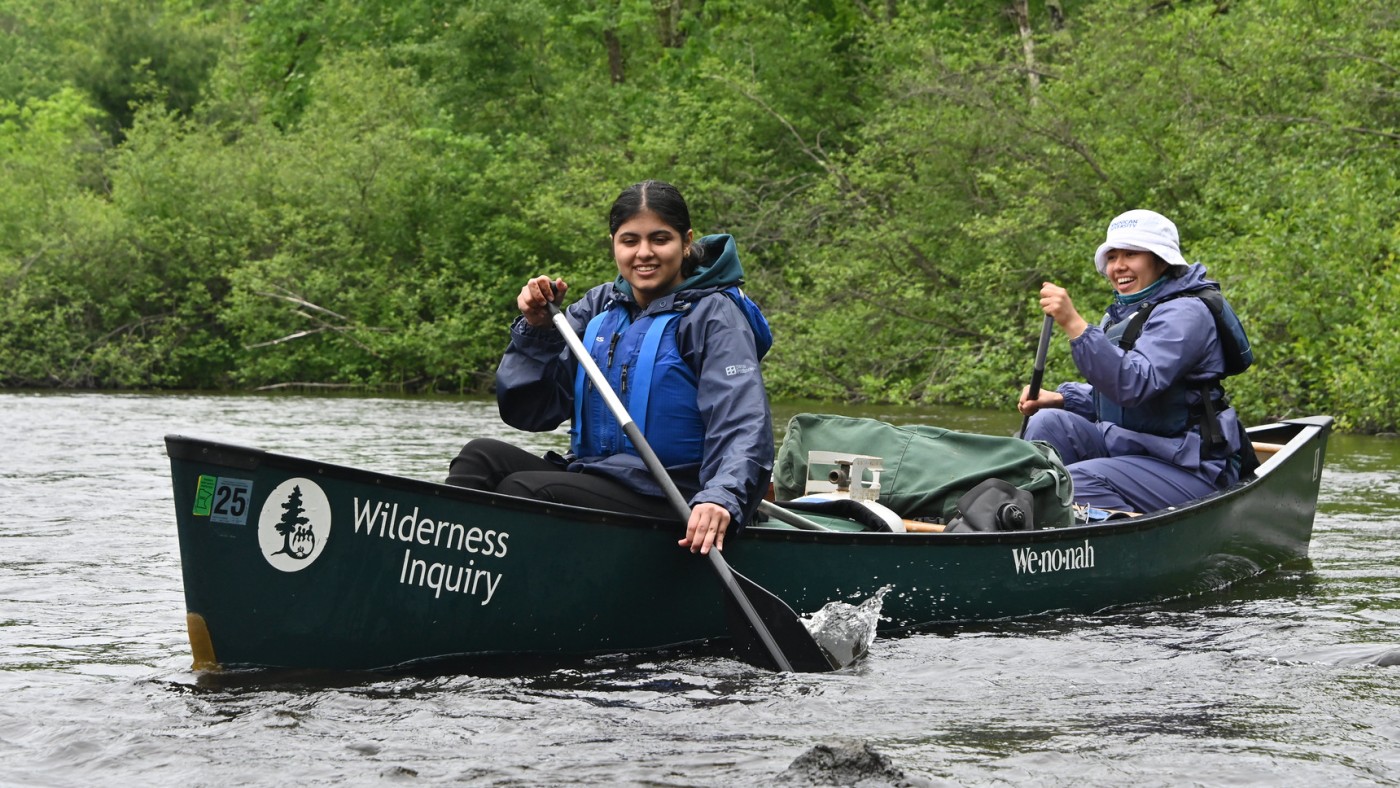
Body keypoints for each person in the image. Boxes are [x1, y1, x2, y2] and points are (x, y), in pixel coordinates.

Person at [446, 180, 774, 555]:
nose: (644, 253)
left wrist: (722, 496)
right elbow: (532, 410)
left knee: (524, 493)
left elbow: (743, 421)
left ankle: (499, 587)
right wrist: (537, 333)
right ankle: (451, 571)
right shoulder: (600, 305)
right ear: (614, 243)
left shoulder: (714, 315)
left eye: (660, 239)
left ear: (686, 242)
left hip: (679, 494)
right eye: (630, 240)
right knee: (479, 457)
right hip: (600, 477)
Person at [1016, 209, 1248, 514]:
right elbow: (1119, 404)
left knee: (1074, 482)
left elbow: (1134, 384)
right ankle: (1029, 524)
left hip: (1189, 465)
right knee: (1046, 422)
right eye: (1112, 257)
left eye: (1131, 254)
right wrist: (1061, 399)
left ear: (1161, 260)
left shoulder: (1187, 314)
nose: (1118, 266)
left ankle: (1110, 539)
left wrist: (1073, 323)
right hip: (1135, 449)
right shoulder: (1125, 313)